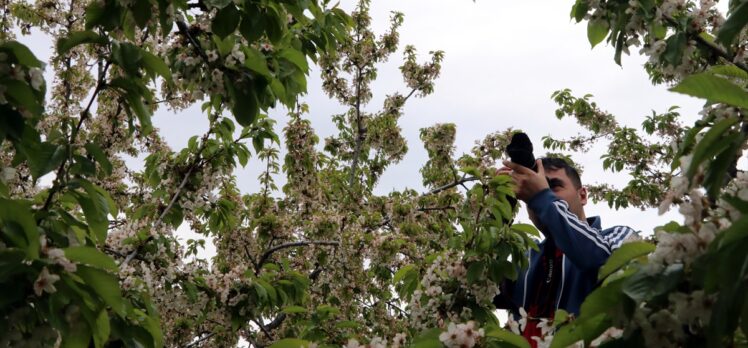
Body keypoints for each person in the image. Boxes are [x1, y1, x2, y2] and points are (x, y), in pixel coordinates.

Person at [494, 157, 639, 344]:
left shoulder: (619, 235)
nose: (539, 193)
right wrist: (499, 214)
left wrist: (541, 197)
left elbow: (601, 261)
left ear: (583, 195)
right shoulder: (524, 257)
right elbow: (479, 289)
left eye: (553, 187)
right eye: (533, 189)